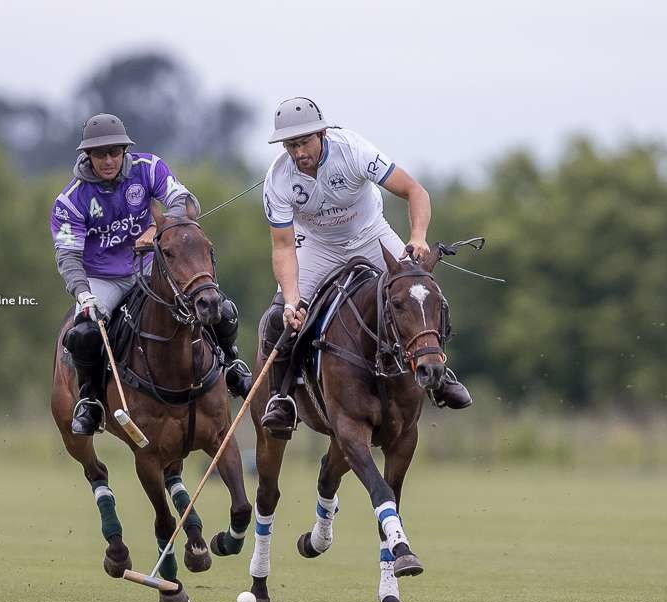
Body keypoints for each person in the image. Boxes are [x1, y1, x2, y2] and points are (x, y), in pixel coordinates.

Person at [259, 97, 472, 439]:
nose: (298, 153)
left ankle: (441, 376)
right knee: (277, 319)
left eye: (303, 142)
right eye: (290, 145)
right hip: (317, 246)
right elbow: (283, 247)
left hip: (370, 235)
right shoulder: (278, 180)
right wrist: (291, 300)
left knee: (421, 292)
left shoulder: (353, 150)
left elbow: (415, 191)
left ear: (322, 133)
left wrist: (418, 237)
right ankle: (283, 398)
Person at [50, 113, 252, 436]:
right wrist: (83, 293)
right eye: (100, 154)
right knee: (83, 333)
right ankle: (90, 400)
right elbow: (68, 256)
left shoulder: (149, 168)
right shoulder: (71, 200)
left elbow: (182, 201)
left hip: (150, 267)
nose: (109, 160)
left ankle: (230, 365)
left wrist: (160, 230)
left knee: (218, 307)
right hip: (103, 279)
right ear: (87, 155)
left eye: (115, 152)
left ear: (124, 151)